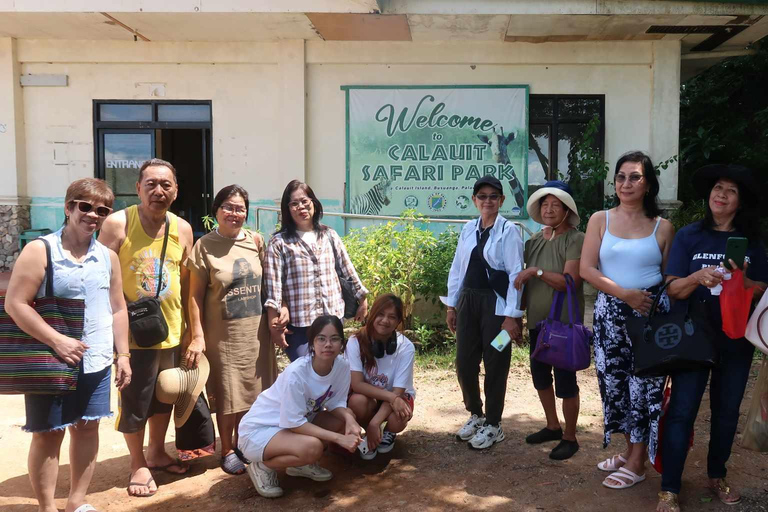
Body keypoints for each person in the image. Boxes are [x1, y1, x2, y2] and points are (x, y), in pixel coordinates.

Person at [5, 178, 131, 512]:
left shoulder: (107, 257)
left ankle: (77, 501)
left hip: (98, 359)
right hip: (52, 360)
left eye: (101, 210)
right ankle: (47, 507)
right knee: (48, 434)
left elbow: (118, 308)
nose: (93, 215)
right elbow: (15, 303)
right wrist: (57, 341)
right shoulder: (41, 250)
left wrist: (124, 355)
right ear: (68, 207)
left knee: (87, 429)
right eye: (85, 207)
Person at [656, 164, 768, 512]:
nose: (720, 194)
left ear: (739, 201)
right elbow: (672, 288)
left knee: (726, 413)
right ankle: (669, 488)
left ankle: (716, 476)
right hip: (693, 335)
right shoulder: (689, 236)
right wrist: (697, 276)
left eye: (730, 191)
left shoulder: (753, 242)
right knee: (682, 410)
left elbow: (761, 289)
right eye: (717, 188)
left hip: (735, 338)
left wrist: (744, 281)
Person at [99, 158, 195, 497]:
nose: (158, 191)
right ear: (138, 188)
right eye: (151, 184)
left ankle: (156, 451)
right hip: (133, 334)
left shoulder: (182, 228)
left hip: (170, 329)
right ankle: (136, 462)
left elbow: (188, 284)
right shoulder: (117, 224)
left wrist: (191, 332)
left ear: (176, 191)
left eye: (166, 185)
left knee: (164, 396)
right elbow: (101, 279)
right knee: (135, 400)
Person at [580, 151, 675, 489]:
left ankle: (637, 462)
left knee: (645, 389)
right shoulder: (600, 219)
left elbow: (670, 279)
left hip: (649, 317)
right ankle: (627, 450)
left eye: (634, 177)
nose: (626, 183)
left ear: (648, 183)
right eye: (620, 177)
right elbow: (587, 269)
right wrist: (624, 294)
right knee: (615, 386)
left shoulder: (663, 227)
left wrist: (641, 300)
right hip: (610, 315)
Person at [186, 184, 278, 476]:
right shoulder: (204, 246)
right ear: (216, 211)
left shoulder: (255, 241)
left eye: (240, 208)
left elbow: (268, 285)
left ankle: (244, 443)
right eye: (228, 207)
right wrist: (197, 335)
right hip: (222, 336)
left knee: (253, 391)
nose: (234, 213)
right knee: (228, 394)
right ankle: (226, 449)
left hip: (256, 333)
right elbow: (194, 297)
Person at [238, 315, 362, 499]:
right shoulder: (297, 373)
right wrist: (339, 439)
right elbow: (294, 423)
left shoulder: (342, 366)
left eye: (334, 338)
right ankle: (262, 466)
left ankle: (300, 464)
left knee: (345, 416)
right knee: (312, 447)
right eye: (321, 338)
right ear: (312, 343)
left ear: (342, 344)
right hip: (260, 431)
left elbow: (336, 403)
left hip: (293, 424)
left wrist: (350, 420)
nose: (328, 344)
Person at [445, 175, 524, 450]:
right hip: (468, 303)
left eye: (493, 196)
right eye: (482, 196)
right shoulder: (468, 229)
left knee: (496, 361)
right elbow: (457, 268)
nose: (487, 201)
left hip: (498, 306)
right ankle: (476, 414)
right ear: (474, 201)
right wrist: (451, 305)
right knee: (464, 362)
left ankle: (493, 422)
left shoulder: (509, 231)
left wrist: (512, 316)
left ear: (501, 200)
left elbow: (516, 274)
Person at [513, 180, 584, 460]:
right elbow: (522, 284)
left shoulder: (576, 239)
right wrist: (517, 317)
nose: (550, 209)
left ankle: (570, 436)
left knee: (566, 383)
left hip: (564, 326)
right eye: (545, 203)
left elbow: (569, 282)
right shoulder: (533, 241)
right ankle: (553, 426)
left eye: (556, 204)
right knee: (541, 379)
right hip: (537, 325)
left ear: (567, 210)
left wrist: (536, 272)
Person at [264, 180, 368, 361]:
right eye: (294, 204)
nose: (301, 207)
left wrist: (362, 298)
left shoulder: (329, 235)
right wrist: (275, 328)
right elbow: (274, 287)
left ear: (313, 203)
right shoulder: (279, 243)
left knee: (331, 370)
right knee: (306, 370)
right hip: (300, 323)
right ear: (287, 209)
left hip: (332, 318)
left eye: (305, 201)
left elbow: (347, 269)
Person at [346, 294, 416, 460]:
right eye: (380, 314)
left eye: (392, 317)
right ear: (372, 314)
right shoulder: (355, 342)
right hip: (369, 397)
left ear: (398, 321)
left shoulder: (406, 347)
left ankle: (387, 431)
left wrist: (375, 422)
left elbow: (398, 391)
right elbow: (357, 384)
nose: (385, 321)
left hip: (393, 398)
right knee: (357, 401)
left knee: (399, 418)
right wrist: (392, 397)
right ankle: (365, 432)